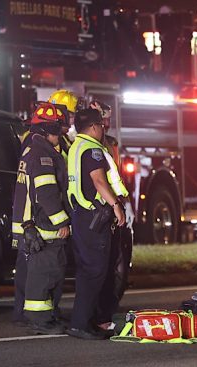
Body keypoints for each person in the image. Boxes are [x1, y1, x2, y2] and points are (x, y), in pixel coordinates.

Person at [66, 108, 128, 340]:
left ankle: (86, 321)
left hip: (82, 217)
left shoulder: (75, 147)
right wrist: (116, 205)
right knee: (95, 272)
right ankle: (81, 323)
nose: (103, 129)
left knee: (86, 271)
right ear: (93, 127)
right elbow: (99, 181)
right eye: (101, 125)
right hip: (94, 218)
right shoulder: (92, 149)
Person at [11, 102, 71, 335]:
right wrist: (61, 222)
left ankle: (42, 316)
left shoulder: (34, 149)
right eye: (58, 129)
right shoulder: (43, 155)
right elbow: (46, 193)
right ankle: (41, 319)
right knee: (45, 271)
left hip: (31, 224)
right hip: (42, 225)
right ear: (48, 130)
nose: (61, 133)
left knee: (39, 272)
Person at [89, 100, 135, 326]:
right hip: (100, 210)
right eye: (101, 118)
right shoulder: (88, 144)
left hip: (115, 207)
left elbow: (115, 175)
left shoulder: (109, 143)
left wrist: (124, 202)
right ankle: (99, 313)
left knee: (117, 263)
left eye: (107, 118)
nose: (105, 123)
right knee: (103, 265)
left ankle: (108, 308)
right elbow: (97, 179)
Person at [47, 89, 79, 156]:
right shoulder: (38, 139)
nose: (72, 122)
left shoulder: (63, 138)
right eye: (70, 117)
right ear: (59, 114)